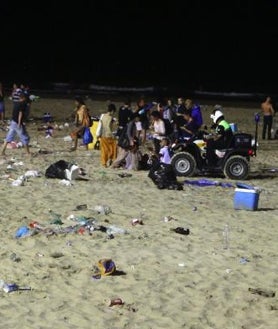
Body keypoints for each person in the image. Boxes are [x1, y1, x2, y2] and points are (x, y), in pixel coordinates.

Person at [96, 103, 118, 167]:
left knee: (104, 150)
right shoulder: (111, 118)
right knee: (112, 149)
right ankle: (111, 160)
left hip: (103, 135)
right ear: (112, 111)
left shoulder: (102, 116)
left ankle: (104, 163)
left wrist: (98, 134)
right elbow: (109, 127)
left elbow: (100, 125)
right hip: (109, 136)